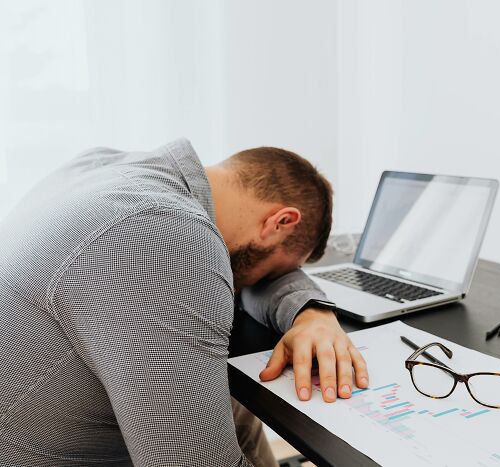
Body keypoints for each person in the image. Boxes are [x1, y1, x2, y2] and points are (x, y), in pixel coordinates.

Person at [0, 139, 368, 466]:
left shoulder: (105, 167)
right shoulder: (166, 236)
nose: (259, 283)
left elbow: (251, 269)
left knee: (231, 402)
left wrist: (311, 313)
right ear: (280, 222)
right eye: (275, 270)